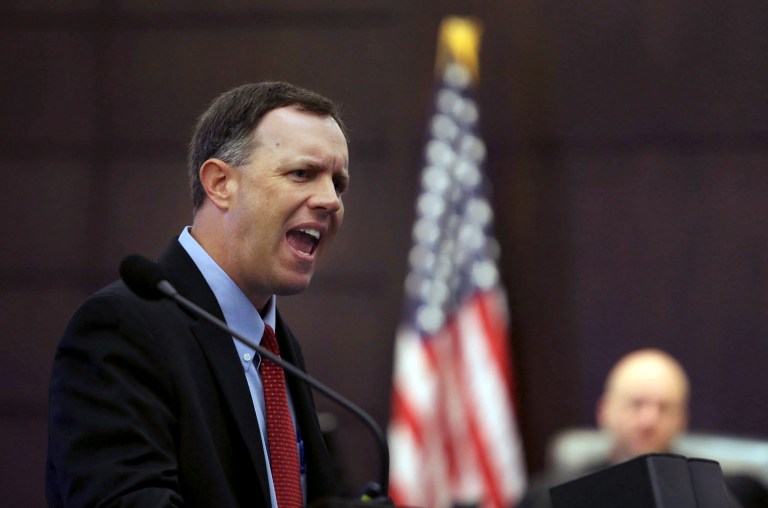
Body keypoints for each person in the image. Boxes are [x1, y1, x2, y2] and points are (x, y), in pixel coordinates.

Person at [46, 81, 351, 507]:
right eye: (302, 173)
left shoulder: (274, 343)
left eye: (338, 182)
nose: (330, 200)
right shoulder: (122, 328)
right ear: (220, 183)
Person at [519, 348, 768, 508]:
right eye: (636, 404)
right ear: (604, 412)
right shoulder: (548, 494)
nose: (649, 420)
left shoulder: (728, 491)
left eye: (664, 407)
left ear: (684, 420)